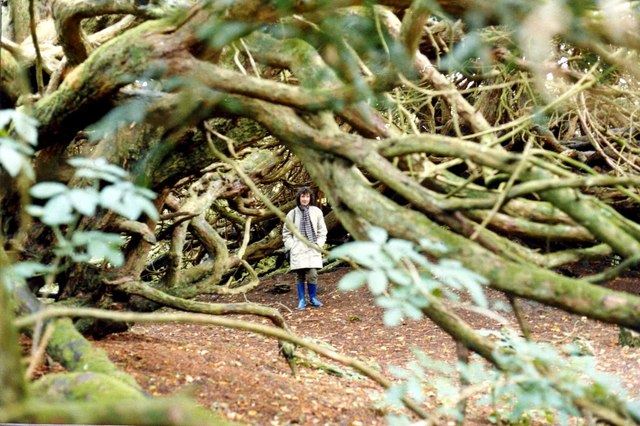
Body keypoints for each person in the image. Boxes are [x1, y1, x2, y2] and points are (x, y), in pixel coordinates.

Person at [282, 187, 328, 310]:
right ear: (299, 198)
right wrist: (292, 246)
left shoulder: (317, 212)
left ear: (310, 198)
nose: (305, 199)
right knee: (299, 275)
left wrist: (319, 244)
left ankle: (313, 298)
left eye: (307, 196)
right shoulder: (292, 214)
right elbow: (286, 233)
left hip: (312, 247)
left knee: (312, 274)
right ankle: (302, 300)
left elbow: (322, 231)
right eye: (302, 196)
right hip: (298, 248)